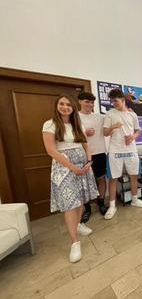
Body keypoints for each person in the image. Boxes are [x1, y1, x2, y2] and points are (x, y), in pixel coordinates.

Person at [42, 95, 98, 263]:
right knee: (69, 204)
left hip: (82, 164)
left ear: (73, 107)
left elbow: (85, 144)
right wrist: (73, 167)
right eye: (61, 104)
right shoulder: (49, 124)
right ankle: (75, 242)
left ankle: (78, 224)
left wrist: (89, 160)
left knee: (80, 199)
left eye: (68, 104)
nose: (65, 107)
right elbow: (51, 151)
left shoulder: (77, 124)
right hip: (64, 167)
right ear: (56, 105)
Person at [103, 88, 142, 220]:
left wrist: (133, 137)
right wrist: (113, 127)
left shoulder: (132, 114)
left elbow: (138, 130)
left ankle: (134, 199)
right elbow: (105, 133)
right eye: (112, 101)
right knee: (113, 178)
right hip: (115, 150)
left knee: (134, 175)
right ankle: (112, 206)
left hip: (130, 150)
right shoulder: (110, 114)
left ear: (122, 100)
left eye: (116, 101)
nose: (114, 103)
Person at [78, 92, 108, 221]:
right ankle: (87, 208)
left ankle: (101, 202)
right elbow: (69, 135)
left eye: (91, 102)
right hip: (82, 154)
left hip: (100, 152)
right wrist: (84, 132)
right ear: (79, 101)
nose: (90, 105)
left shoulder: (100, 117)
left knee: (101, 179)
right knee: (84, 182)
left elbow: (114, 117)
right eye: (87, 101)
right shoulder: (75, 117)